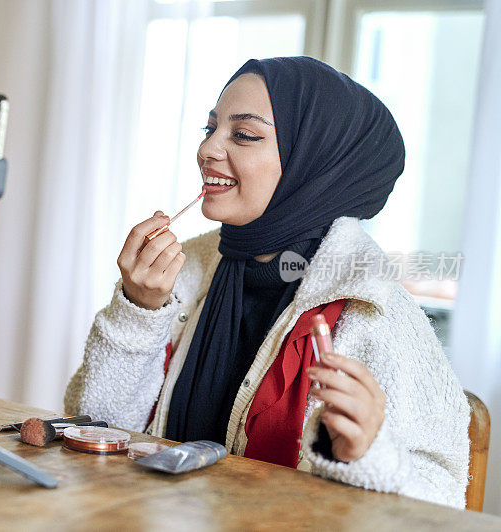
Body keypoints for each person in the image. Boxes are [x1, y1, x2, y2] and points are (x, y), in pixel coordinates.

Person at [63, 56, 469, 509]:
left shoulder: (374, 306)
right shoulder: (189, 267)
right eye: (209, 128)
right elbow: (93, 428)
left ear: (313, 163)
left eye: (244, 135)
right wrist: (137, 311)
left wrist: (367, 455)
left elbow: (443, 498)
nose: (208, 150)